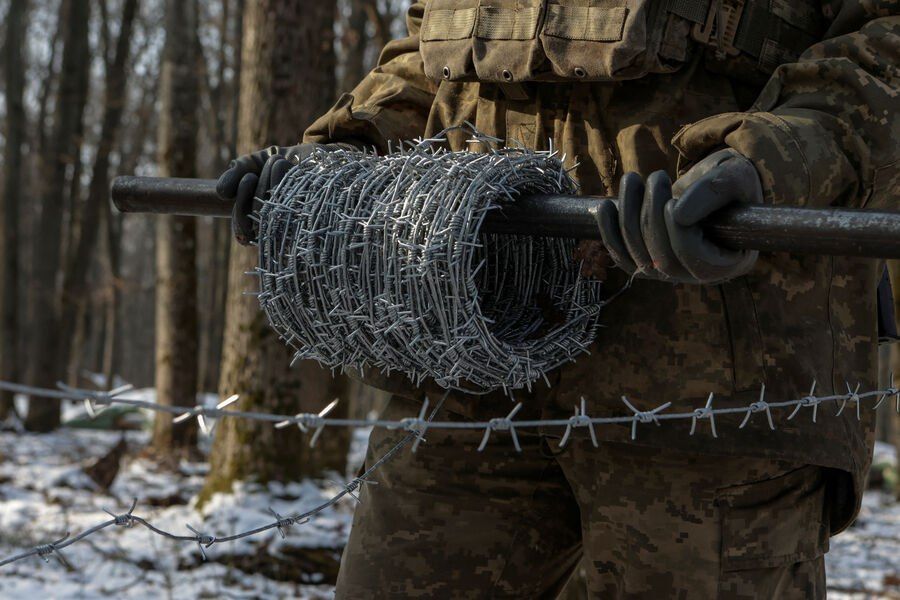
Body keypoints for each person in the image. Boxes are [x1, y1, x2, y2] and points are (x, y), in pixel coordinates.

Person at [216, 1, 899, 597]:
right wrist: (349, 148)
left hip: (717, 370)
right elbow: (436, 52)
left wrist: (774, 160)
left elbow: (884, 36)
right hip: (474, 345)